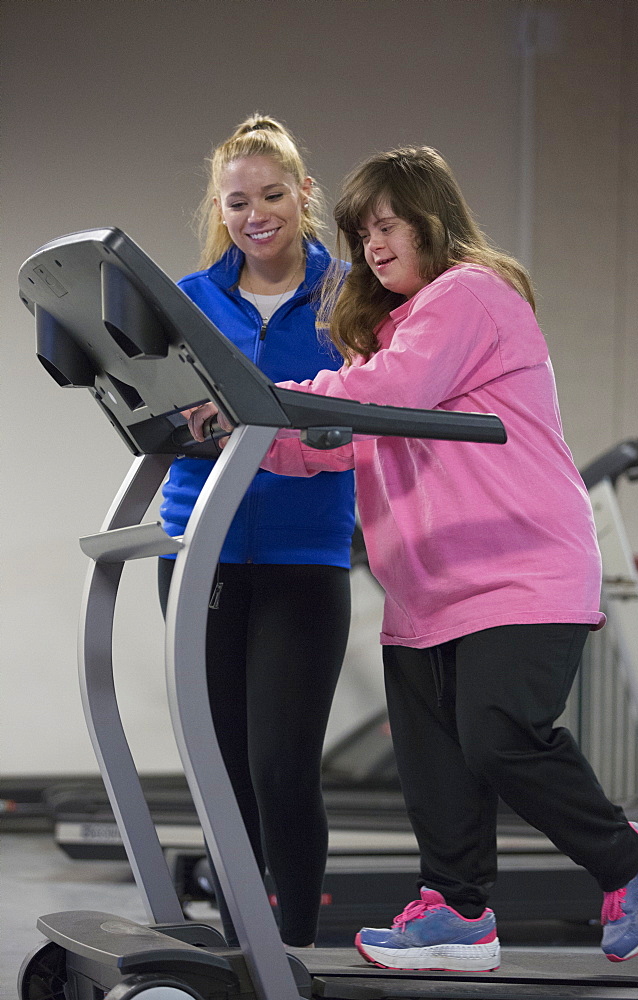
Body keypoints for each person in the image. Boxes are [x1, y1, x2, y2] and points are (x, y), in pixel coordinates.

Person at [189, 145, 638, 971]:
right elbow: (339, 441)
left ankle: (633, 858)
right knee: (434, 767)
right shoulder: (390, 334)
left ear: (430, 219)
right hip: (426, 587)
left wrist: (264, 404)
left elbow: (391, 396)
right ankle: (456, 912)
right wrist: (251, 437)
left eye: (387, 224)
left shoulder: (469, 295)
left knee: (496, 738)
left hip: (517, 574)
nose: (372, 244)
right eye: (360, 232)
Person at [159, 114, 355, 948]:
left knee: (281, 769)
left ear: (303, 194)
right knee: (223, 772)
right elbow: (156, 414)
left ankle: (299, 954)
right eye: (238, 201)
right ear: (219, 205)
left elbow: (370, 412)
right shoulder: (188, 300)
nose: (256, 214)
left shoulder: (351, 293)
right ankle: (244, 950)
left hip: (305, 558)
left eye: (272, 195)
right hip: (197, 550)